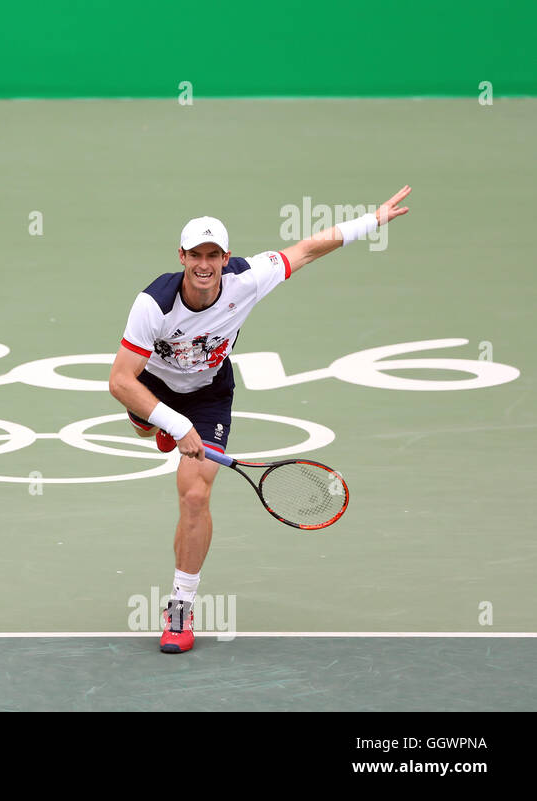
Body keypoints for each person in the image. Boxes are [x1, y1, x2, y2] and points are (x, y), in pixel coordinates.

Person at [107, 186, 412, 653]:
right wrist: (174, 424)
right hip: (155, 388)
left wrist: (371, 220)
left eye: (214, 254)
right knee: (147, 420)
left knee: (194, 495)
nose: (204, 264)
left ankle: (180, 607)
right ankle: (153, 427)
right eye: (195, 255)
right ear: (182, 256)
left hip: (209, 393)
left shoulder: (247, 279)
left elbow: (307, 249)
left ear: (226, 257)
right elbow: (120, 381)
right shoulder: (153, 304)